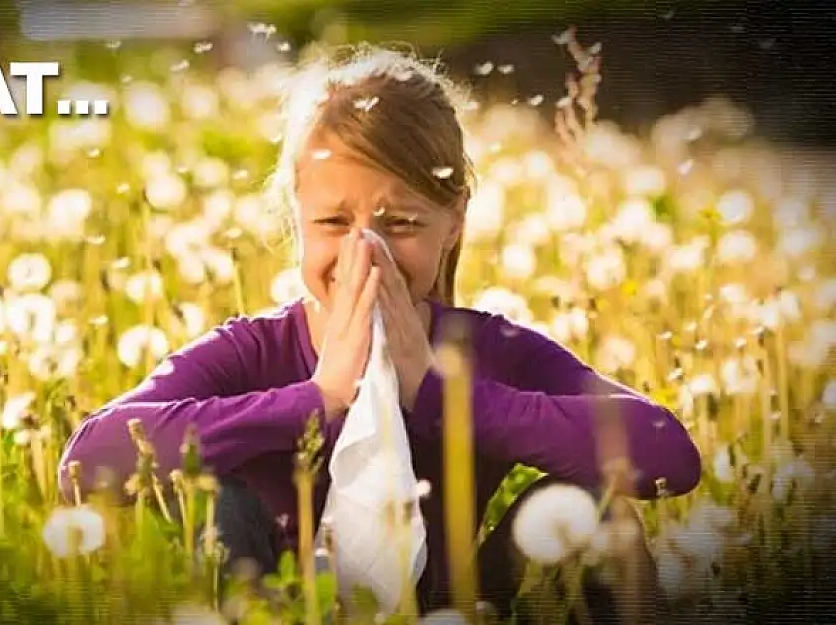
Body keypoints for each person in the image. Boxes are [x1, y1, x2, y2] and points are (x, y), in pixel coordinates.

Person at [58, 45, 702, 620]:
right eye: (334, 222)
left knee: (597, 509)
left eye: (400, 225)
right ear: (297, 219)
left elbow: (668, 453)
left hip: (458, 611)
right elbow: (87, 463)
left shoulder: (486, 350)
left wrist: (440, 394)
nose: (366, 253)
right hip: (274, 608)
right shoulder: (254, 350)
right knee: (217, 502)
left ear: (453, 223)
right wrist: (317, 400)